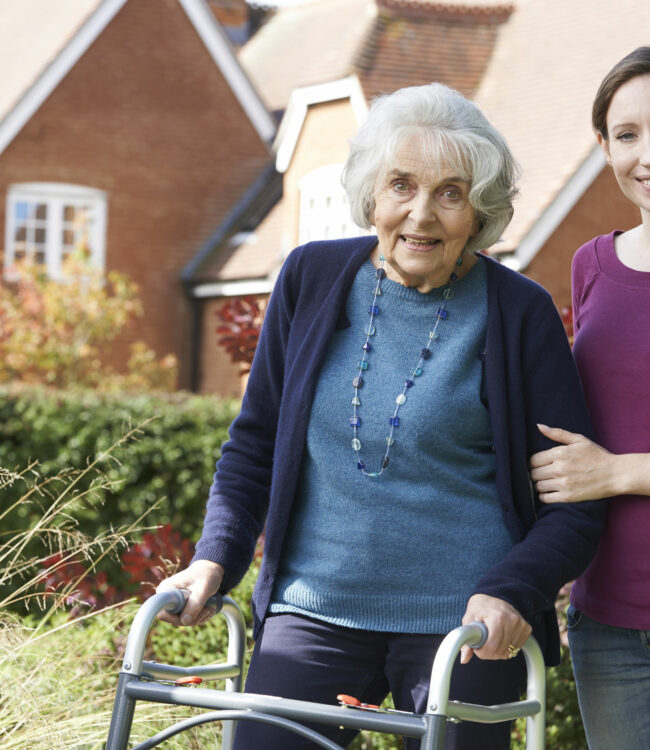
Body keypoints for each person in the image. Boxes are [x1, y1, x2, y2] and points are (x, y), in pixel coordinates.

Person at [158, 82, 605, 750]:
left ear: (478, 209)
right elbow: (254, 444)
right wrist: (214, 558)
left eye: (450, 192)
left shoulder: (520, 313)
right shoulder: (309, 278)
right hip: (313, 611)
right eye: (402, 185)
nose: (421, 214)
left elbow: (576, 503)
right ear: (372, 191)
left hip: (467, 625)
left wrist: (516, 590)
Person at [529, 47, 650, 750]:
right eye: (627, 134)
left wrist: (617, 473)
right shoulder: (590, 266)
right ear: (603, 145)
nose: (645, 155)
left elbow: (605, 459)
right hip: (607, 622)